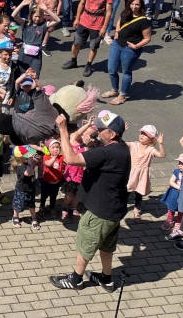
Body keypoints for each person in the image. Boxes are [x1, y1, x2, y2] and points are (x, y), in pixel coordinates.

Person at [49, 111, 130, 291]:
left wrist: (63, 130)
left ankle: (76, 279)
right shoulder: (122, 148)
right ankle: (106, 279)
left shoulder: (106, 153)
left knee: (86, 245)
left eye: (102, 129)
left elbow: (70, 158)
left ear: (112, 134)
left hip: (99, 212)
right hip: (113, 210)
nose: (98, 130)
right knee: (106, 246)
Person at [102, 0, 151, 105]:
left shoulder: (143, 20)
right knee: (111, 69)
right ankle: (114, 90)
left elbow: (147, 38)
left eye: (137, 4)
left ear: (141, 5)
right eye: (132, 4)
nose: (134, 6)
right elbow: (119, 20)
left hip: (130, 49)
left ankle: (122, 95)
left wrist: (136, 46)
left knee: (126, 72)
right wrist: (117, 32)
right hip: (117, 44)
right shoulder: (125, 12)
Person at [62, 0, 112, 77]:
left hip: (97, 24)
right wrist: (77, 19)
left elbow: (108, 12)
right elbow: (81, 3)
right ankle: (73, 60)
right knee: (76, 43)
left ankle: (89, 64)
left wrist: (104, 27)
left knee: (93, 46)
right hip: (84, 21)